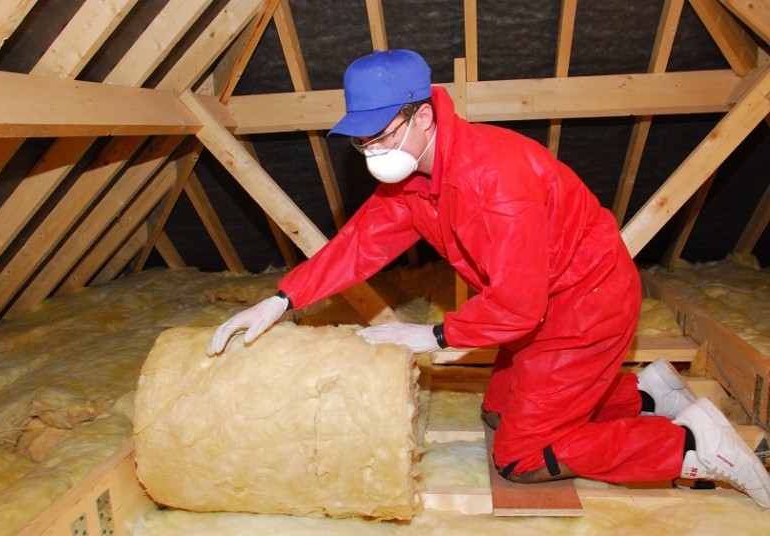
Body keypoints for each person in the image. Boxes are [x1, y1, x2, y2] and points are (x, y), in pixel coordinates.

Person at [207, 49, 770, 506]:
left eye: (381, 136)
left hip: (583, 307)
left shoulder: (490, 181)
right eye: (361, 142)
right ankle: (646, 392)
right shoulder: (416, 180)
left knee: (521, 456)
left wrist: (431, 336)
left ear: (422, 115)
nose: (372, 152)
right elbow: (360, 244)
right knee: (498, 410)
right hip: (539, 303)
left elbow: (519, 306)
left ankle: (691, 446)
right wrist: (280, 300)